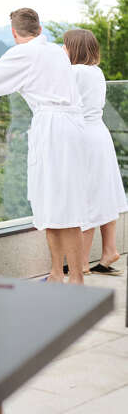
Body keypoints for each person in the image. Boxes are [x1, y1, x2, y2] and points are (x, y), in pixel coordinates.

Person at [0, 8, 89, 284]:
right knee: (64, 202)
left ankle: (65, 276)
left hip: (53, 131)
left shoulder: (24, 53)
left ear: (15, 34)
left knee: (53, 201)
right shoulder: (55, 52)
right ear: (40, 29)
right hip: (73, 129)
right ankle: (66, 275)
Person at [63, 28, 127, 275]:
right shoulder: (96, 72)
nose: (62, 50)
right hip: (99, 134)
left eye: (65, 45)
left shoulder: (74, 72)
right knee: (103, 191)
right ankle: (109, 250)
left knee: (85, 196)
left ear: (74, 48)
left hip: (82, 137)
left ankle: (80, 264)